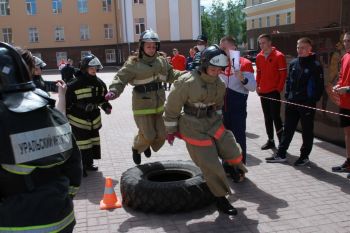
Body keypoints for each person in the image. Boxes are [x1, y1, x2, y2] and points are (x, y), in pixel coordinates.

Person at [0, 42, 82, 232]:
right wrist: (64, 197)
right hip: (61, 217)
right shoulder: (50, 112)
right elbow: (73, 165)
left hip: (15, 223)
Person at [164, 45, 247, 215]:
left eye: (220, 69)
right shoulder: (186, 82)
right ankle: (220, 199)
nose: (217, 72)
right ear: (203, 65)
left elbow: (217, 107)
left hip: (213, 122)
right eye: (213, 69)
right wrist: (171, 130)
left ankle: (233, 167)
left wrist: (220, 124)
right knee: (211, 164)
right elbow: (171, 107)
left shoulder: (220, 84)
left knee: (233, 149)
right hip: (193, 125)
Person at [105, 29, 185, 165]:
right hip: (142, 105)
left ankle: (146, 144)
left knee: (161, 135)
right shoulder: (133, 63)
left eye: (154, 46)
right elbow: (120, 78)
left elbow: (171, 75)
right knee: (148, 135)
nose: (152, 49)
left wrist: (185, 75)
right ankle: (136, 148)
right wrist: (113, 91)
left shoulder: (161, 61)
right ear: (142, 46)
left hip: (159, 103)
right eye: (148, 46)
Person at [265, 37, 324, 165]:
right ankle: (281, 154)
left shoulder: (315, 65)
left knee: (307, 131)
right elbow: (288, 82)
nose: (300, 50)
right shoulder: (293, 63)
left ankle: (304, 156)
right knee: (288, 129)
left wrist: (311, 101)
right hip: (292, 102)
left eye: (303, 47)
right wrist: (287, 96)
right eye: (298, 47)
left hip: (306, 104)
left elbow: (319, 87)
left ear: (309, 49)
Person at [65, 54, 112, 177]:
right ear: (85, 68)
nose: (94, 71)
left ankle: (89, 164)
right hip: (77, 119)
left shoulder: (99, 84)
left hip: (93, 118)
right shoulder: (74, 84)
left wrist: (106, 106)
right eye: (91, 68)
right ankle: (81, 167)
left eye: (96, 68)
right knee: (82, 143)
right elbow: (66, 101)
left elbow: (102, 98)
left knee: (92, 141)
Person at [219, 35, 256, 164]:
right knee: (224, 139)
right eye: (221, 48)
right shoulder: (219, 63)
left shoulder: (244, 63)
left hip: (237, 107)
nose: (222, 50)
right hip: (222, 107)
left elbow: (252, 87)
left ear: (233, 47)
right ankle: (227, 165)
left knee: (238, 138)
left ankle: (240, 169)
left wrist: (242, 78)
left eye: (224, 48)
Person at [256, 34, 287, 150]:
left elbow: (283, 75)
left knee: (276, 117)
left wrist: (278, 89)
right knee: (267, 117)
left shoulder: (279, 56)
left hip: (273, 92)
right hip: (263, 92)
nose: (261, 45)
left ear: (270, 43)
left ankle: (282, 143)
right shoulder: (259, 57)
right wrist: (257, 86)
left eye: (263, 42)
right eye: (260, 43)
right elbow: (258, 73)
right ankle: (271, 141)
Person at [331, 31, 350, 178]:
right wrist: (337, 86)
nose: (346, 44)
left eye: (349, 41)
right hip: (345, 103)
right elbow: (342, 77)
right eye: (345, 41)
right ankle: (349, 162)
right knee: (347, 134)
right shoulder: (345, 57)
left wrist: (348, 89)